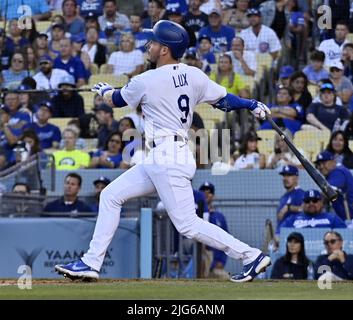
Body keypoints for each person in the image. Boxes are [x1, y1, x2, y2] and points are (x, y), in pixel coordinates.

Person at [55, 20, 271, 282]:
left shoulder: (146, 79)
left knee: (188, 225)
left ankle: (251, 255)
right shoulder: (193, 74)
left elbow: (117, 100)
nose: (149, 45)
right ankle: (91, 262)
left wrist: (104, 91)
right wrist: (251, 104)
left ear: (165, 49)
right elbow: (224, 100)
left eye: (154, 42)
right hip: (164, 155)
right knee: (111, 195)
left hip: (167, 156)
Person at [199, 181, 229, 279]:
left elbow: (226, 241)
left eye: (209, 192)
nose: (206, 194)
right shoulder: (194, 214)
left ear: (214, 196)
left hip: (215, 265)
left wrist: (221, 261)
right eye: (203, 192)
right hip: (197, 262)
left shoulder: (219, 217)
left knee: (226, 279)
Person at [279, 189, 347, 230]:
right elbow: (279, 234)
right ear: (303, 203)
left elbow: (345, 235)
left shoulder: (332, 218)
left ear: (321, 203)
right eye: (307, 201)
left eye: (315, 200)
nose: (311, 203)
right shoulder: (292, 219)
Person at [315, 150, 353, 221]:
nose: (321, 167)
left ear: (333, 162)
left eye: (324, 163)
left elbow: (327, 191)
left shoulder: (338, 172)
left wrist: (314, 202)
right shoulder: (334, 173)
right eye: (319, 164)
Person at [275, 165, 305, 233]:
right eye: (284, 175)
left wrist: (289, 208)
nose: (285, 178)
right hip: (280, 234)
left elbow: (306, 210)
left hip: (291, 235)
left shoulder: (301, 194)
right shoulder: (284, 196)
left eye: (289, 175)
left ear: (296, 178)